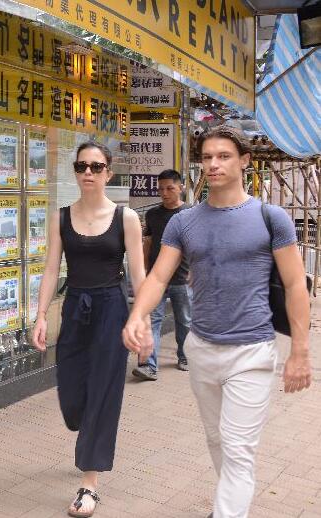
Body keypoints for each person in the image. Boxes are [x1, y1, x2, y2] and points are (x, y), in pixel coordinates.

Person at [123, 126, 312, 518]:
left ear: (244, 161)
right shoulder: (184, 222)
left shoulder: (270, 218)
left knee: (238, 447)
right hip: (202, 348)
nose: (213, 164)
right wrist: (137, 316)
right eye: (207, 157)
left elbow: (296, 284)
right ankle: (231, 502)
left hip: (252, 350)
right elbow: (158, 277)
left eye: (224, 156)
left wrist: (300, 351)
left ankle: (227, 511)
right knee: (217, 439)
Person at [32, 141, 152, 518]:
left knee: (103, 390)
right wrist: (40, 315)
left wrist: (143, 322)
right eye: (82, 166)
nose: (88, 172)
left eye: (96, 167)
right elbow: (51, 269)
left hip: (111, 310)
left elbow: (139, 275)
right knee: (72, 395)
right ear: (75, 171)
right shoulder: (61, 218)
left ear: (108, 173)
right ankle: (85, 430)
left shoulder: (125, 218)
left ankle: (89, 484)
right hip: (75, 308)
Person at [133, 169, 192, 381]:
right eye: (161, 189)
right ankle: (148, 365)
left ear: (181, 188)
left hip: (182, 278)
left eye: (170, 188)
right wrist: (143, 272)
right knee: (152, 321)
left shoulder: (191, 214)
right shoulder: (153, 215)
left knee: (184, 321)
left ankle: (185, 357)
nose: (164, 193)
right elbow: (148, 244)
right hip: (155, 279)